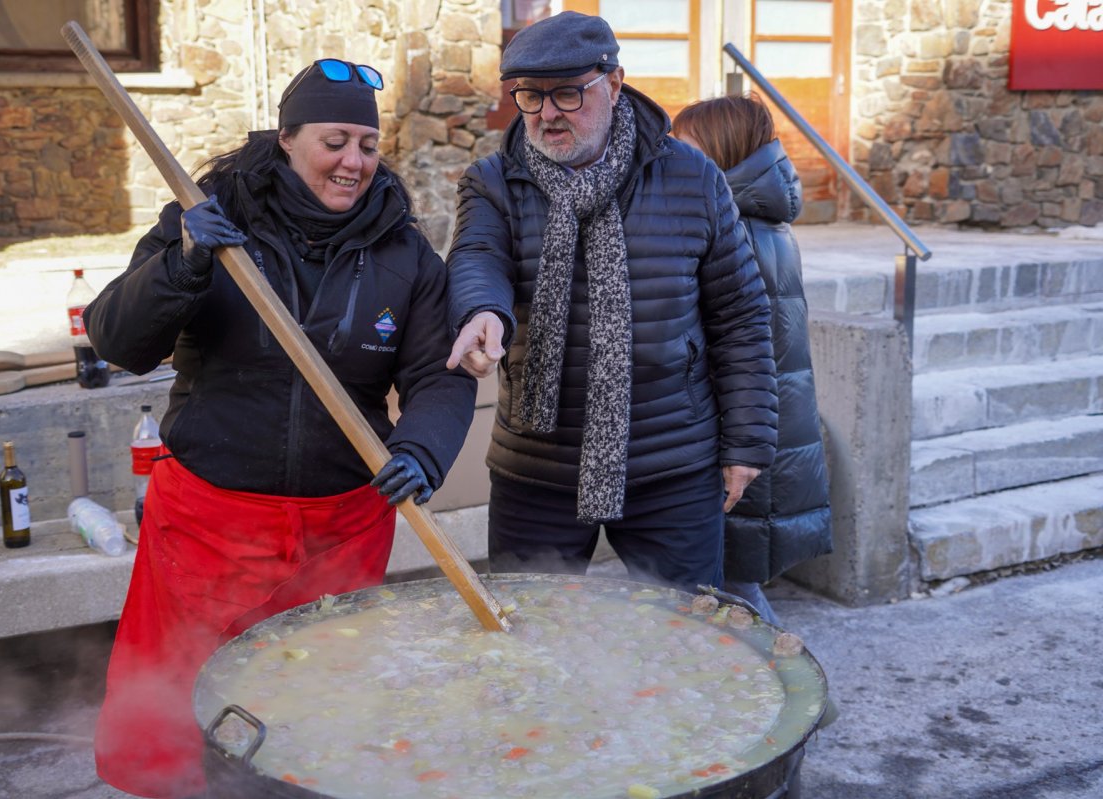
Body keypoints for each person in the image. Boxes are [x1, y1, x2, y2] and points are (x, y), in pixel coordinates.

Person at [83, 58, 476, 798]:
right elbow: (116, 340)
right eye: (335, 141)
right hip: (208, 523)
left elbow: (438, 376)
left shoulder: (401, 250)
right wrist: (184, 258)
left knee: (317, 712)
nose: (353, 162)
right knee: (183, 713)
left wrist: (422, 449)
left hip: (342, 524)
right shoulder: (209, 215)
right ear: (288, 137)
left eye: (366, 144)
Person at [445, 11, 778, 598]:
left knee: (685, 637)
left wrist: (747, 442)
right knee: (537, 639)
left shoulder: (691, 177)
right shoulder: (494, 181)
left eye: (568, 94)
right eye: (529, 96)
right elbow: (477, 257)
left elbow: (740, 317)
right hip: (537, 470)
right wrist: (482, 313)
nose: (547, 114)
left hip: (671, 467)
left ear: (615, 82)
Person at [672, 93, 834, 625]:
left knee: (729, 587)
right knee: (724, 581)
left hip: (741, 428)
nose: (672, 156)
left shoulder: (736, 226)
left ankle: (795, 691)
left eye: (685, 146)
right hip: (766, 419)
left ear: (719, 152)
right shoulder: (763, 218)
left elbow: (734, 341)